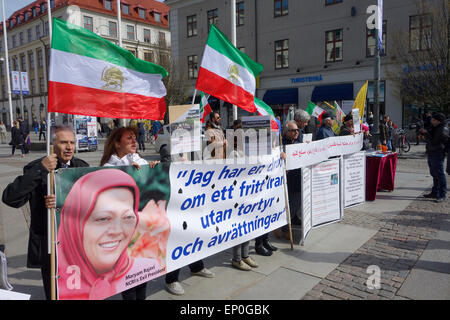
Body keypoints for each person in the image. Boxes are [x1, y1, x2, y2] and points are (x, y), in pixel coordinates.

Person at [2, 125, 89, 300]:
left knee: (77, 292)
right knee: (54, 293)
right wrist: (41, 169)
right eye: (64, 142)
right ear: (52, 144)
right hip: (50, 247)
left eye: (72, 142)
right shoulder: (36, 167)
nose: (69, 147)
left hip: (77, 243)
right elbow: (11, 198)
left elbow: (92, 202)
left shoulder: (81, 167)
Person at [57, 169, 163, 300]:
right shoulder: (60, 282)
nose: (117, 230)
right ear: (75, 225)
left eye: (128, 217)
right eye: (103, 219)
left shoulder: (145, 266)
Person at [100, 126, 160, 300]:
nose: (135, 141)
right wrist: (126, 171)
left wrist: (152, 169)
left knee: (142, 274)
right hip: (121, 231)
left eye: (135, 137)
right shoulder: (108, 166)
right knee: (128, 278)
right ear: (117, 144)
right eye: (129, 138)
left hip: (142, 228)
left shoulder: (140, 161)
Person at [159, 144, 215, 295]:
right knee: (177, 240)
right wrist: (176, 163)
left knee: (192, 236)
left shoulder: (194, 148)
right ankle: (171, 279)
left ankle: (196, 266)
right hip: (175, 204)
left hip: (190, 201)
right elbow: (164, 169)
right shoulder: (167, 147)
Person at [419, 113, 449, 203]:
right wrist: (424, 135)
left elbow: (434, 142)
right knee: (434, 174)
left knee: (439, 174)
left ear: (438, 121)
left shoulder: (442, 129)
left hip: (438, 153)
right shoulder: (435, 128)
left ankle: (442, 194)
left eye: (433, 119)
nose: (431, 120)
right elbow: (430, 140)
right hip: (432, 152)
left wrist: (426, 133)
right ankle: (435, 192)